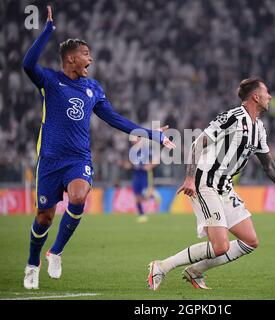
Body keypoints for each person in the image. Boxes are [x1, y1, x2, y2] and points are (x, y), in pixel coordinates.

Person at [23, 6, 175, 290]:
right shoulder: (50, 81)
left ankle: (55, 252)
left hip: (78, 158)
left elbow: (115, 119)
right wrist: (47, 31)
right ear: (71, 58)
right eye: (85, 54)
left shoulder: (92, 88)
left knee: (79, 197)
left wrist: (152, 133)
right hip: (50, 160)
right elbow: (27, 64)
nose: (90, 58)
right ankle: (33, 263)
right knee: (43, 217)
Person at [147, 78, 275, 290]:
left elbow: (268, 165)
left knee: (250, 241)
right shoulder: (232, 117)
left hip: (224, 186)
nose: (270, 96)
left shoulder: (259, 128)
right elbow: (198, 143)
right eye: (266, 92)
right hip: (204, 181)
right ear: (255, 96)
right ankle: (161, 266)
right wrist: (189, 178)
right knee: (221, 246)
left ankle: (195, 271)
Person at [122, 136, 159, 223]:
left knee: (145, 193)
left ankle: (153, 195)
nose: (133, 141)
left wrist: (149, 166)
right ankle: (142, 215)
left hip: (145, 174)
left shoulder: (146, 150)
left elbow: (156, 161)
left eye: (135, 139)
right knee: (137, 196)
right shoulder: (132, 151)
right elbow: (131, 164)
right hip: (136, 174)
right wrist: (127, 166)